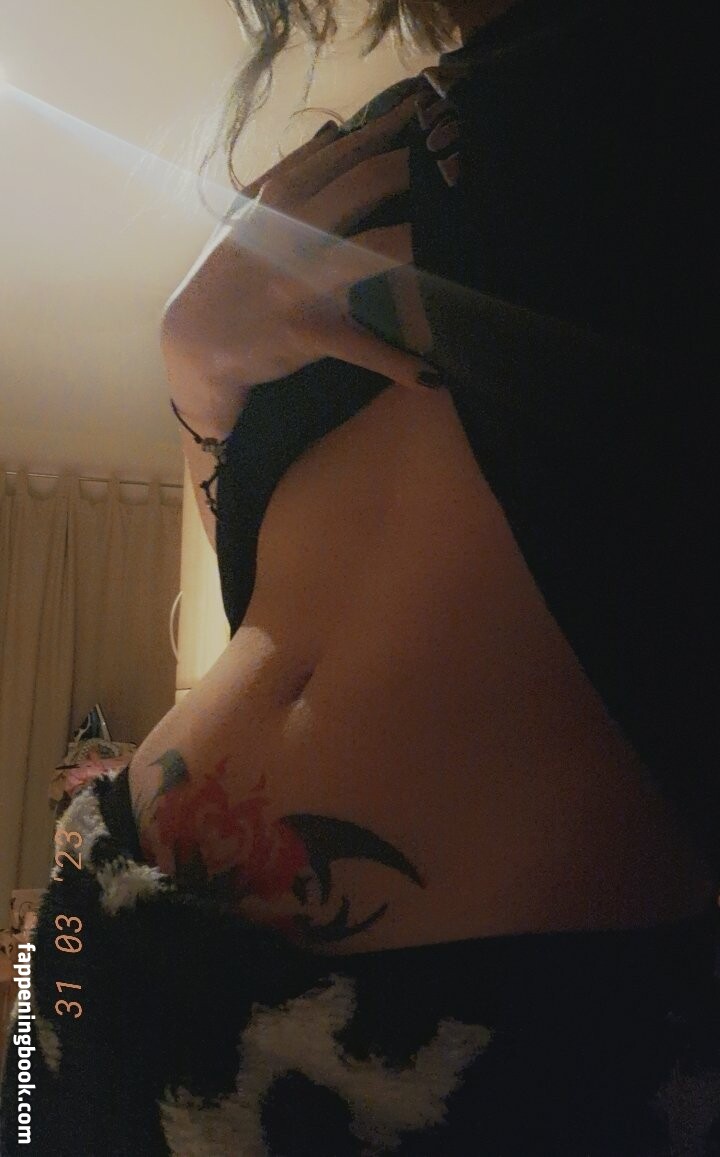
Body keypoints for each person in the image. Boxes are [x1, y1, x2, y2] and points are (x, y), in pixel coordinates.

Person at [1, 1, 718, 1153]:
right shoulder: (391, 140)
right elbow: (272, 605)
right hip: (98, 959)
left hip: (457, 1063)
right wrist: (198, 376)